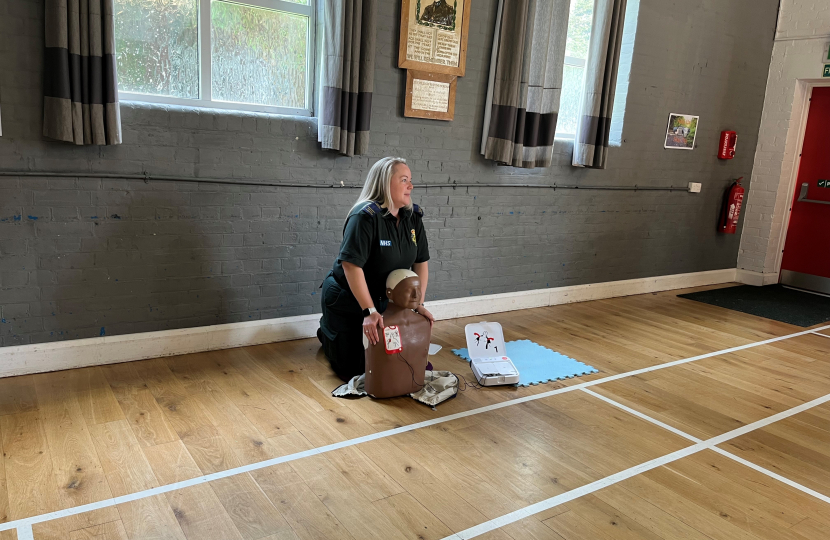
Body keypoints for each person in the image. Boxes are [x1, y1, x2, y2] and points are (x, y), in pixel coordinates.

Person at [318, 157, 434, 381]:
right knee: (355, 371)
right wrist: (369, 312)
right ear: (384, 184)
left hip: (385, 298)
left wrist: (417, 304)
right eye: (404, 180)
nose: (411, 186)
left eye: (410, 180)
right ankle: (327, 332)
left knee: (399, 363)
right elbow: (351, 266)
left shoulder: (413, 217)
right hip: (349, 299)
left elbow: (421, 262)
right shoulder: (364, 217)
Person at [364, 269, 431, 398]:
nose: (416, 295)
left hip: (417, 386)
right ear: (390, 293)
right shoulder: (375, 328)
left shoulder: (424, 323)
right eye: (409, 290)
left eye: (418, 289)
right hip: (381, 391)